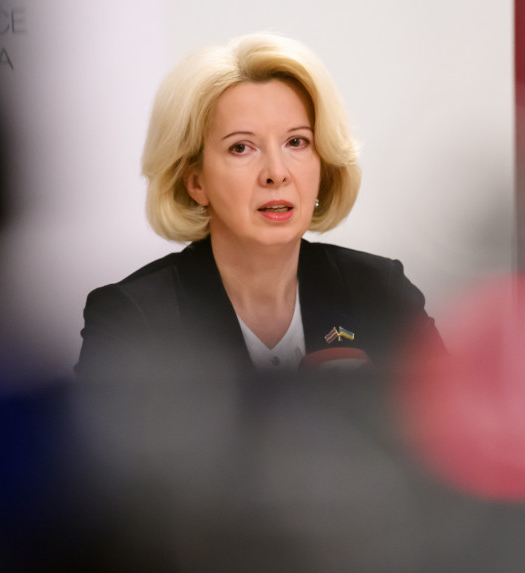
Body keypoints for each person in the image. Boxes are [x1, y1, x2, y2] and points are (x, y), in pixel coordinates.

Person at [75, 32, 442, 385]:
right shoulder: (133, 318)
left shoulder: (380, 292)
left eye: (296, 142)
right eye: (241, 148)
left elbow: (456, 421)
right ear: (196, 182)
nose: (276, 173)